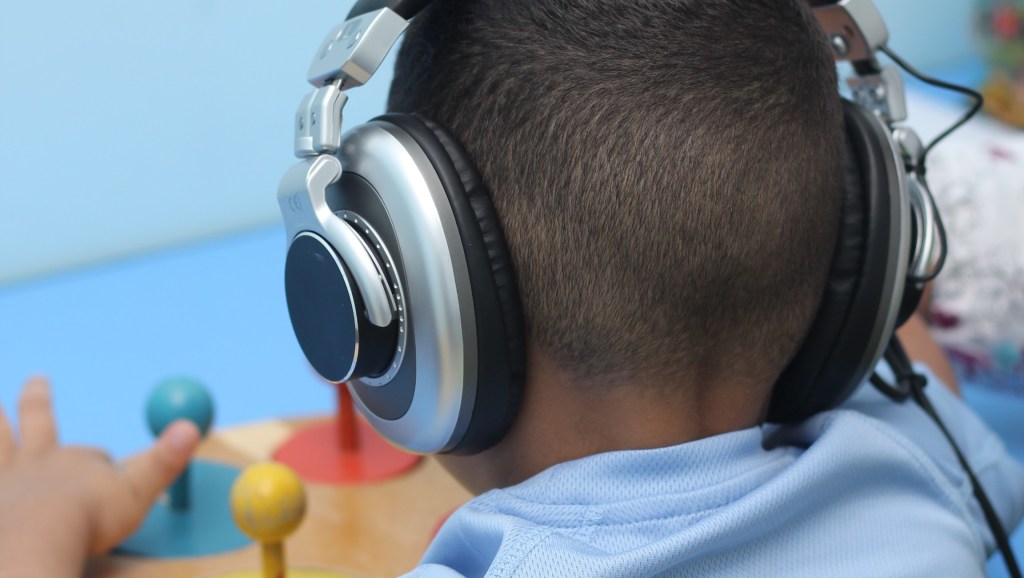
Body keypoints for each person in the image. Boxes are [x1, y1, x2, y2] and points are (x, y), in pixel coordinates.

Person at [1, 1, 1022, 576]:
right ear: (866, 264)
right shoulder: (919, 475)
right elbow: (903, 339)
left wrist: (35, 525)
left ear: (404, 292)